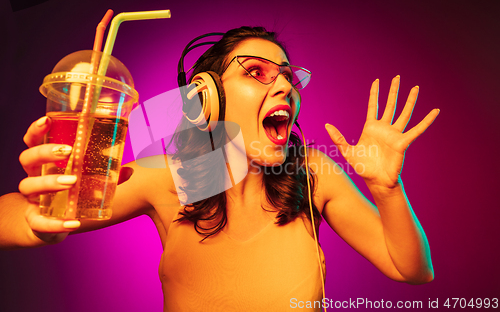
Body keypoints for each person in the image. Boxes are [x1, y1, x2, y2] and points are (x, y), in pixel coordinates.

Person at [0, 26, 438, 311]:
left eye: (286, 75)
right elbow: (17, 217)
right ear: (205, 100)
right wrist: (43, 216)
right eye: (257, 73)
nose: (283, 84)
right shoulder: (171, 178)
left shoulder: (310, 172)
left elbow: (411, 270)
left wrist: (388, 189)